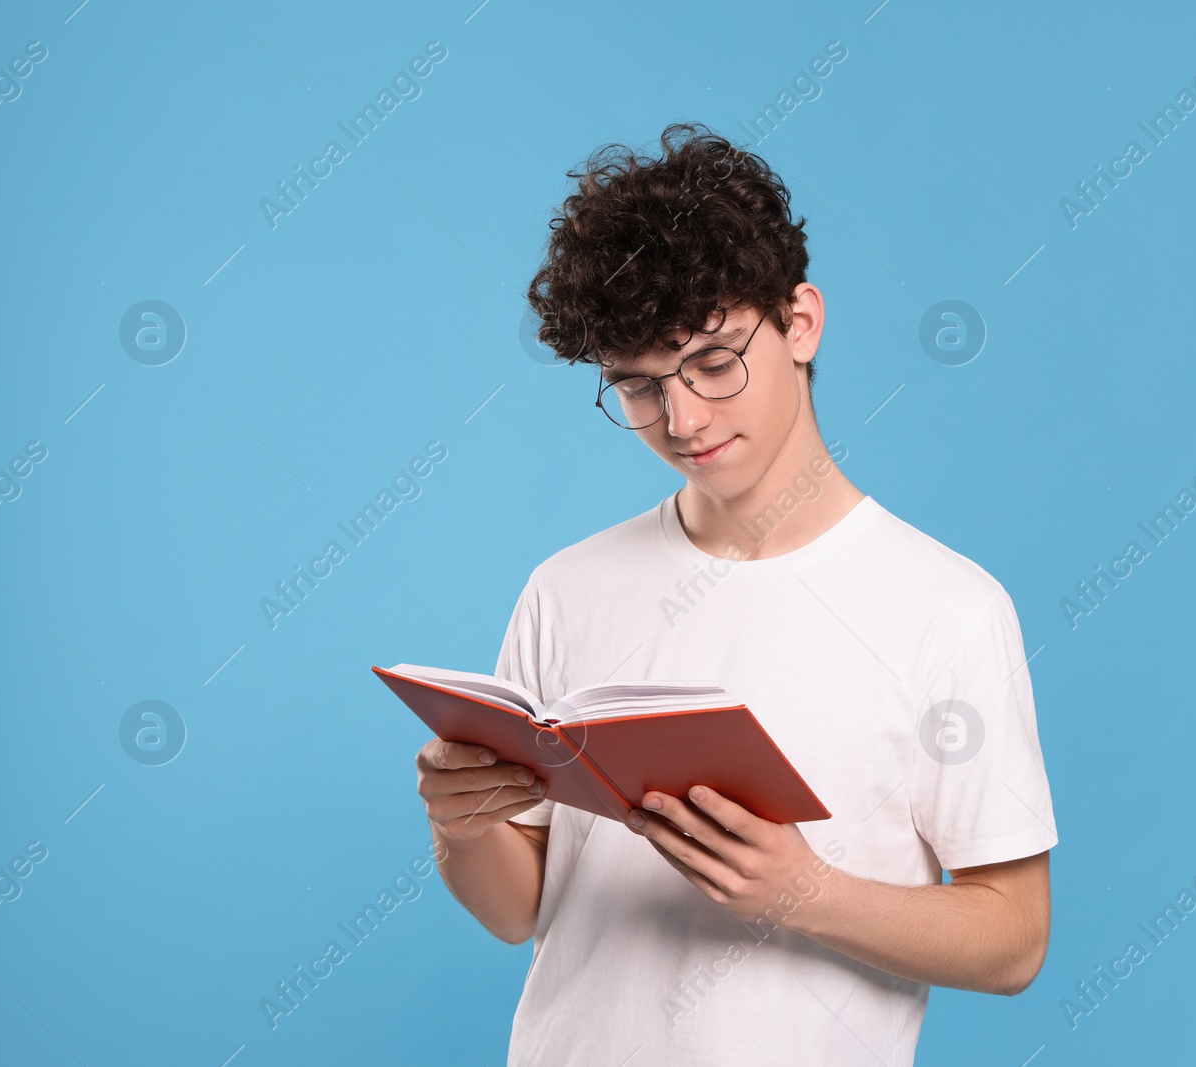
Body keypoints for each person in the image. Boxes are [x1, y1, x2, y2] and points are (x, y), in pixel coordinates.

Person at [414, 122, 1057, 1065]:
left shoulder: (948, 608)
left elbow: (1015, 939)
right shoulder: (568, 588)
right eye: (636, 386)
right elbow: (519, 911)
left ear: (801, 322)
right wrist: (459, 826)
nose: (681, 418)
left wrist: (805, 893)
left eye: (715, 363)